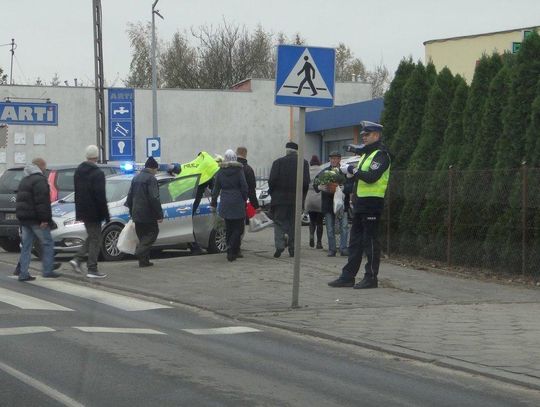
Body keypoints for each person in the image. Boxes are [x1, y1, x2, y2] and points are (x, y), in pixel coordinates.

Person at [328, 121, 391, 289]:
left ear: (376, 135)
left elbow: (371, 177)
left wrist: (353, 170)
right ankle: (347, 276)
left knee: (369, 242)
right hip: (361, 202)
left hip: (373, 203)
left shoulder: (381, 154)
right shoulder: (366, 154)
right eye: (362, 134)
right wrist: (347, 177)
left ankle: (371, 277)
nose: (363, 137)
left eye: (367, 134)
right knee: (354, 241)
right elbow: (359, 178)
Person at [15, 158, 61, 281]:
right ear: (40, 166)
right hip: (36, 219)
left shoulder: (25, 180)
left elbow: (20, 201)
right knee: (48, 242)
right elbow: (42, 202)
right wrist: (44, 219)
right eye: (45, 167)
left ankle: (23, 273)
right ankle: (47, 270)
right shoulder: (40, 180)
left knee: (26, 246)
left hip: (25, 220)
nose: (45, 169)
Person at [70, 145, 110, 278]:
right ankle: (92, 268)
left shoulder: (78, 171)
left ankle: (77, 259)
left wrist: (79, 211)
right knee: (96, 239)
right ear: (97, 157)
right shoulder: (97, 173)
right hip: (94, 211)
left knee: (93, 236)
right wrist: (106, 214)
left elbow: (77, 193)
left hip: (83, 210)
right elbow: (100, 196)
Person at [268, 141, 310, 258]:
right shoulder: (304, 163)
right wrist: (302, 196)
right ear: (297, 151)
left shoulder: (278, 162)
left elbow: (271, 181)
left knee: (279, 223)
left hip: (279, 199)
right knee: (294, 224)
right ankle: (293, 248)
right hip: (295, 200)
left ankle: (280, 246)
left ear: (286, 150)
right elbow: (306, 182)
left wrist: (273, 193)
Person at [125, 156, 163, 267]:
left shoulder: (136, 178)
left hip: (136, 213)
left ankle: (144, 261)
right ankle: (140, 251)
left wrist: (131, 211)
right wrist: (159, 214)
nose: (156, 172)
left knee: (142, 236)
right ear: (152, 168)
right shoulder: (151, 179)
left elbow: (129, 196)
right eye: (156, 170)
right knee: (152, 233)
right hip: (148, 213)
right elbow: (154, 198)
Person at [210, 149, 248, 262]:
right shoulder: (239, 170)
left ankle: (230, 250)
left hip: (225, 201)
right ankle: (232, 247)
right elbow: (244, 186)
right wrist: (244, 198)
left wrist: (214, 202)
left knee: (229, 227)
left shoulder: (220, 171)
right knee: (239, 228)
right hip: (237, 201)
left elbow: (216, 188)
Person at [314, 151, 350, 257]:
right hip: (328, 204)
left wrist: (345, 188)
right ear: (330, 160)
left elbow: (352, 185)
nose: (334, 160)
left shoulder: (344, 172)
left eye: (336, 158)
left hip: (342, 204)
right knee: (330, 228)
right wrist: (320, 187)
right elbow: (316, 183)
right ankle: (332, 249)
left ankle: (343, 248)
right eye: (332, 159)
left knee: (344, 226)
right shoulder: (325, 172)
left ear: (340, 160)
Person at [304, 155, 323, 249]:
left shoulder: (307, 171)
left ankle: (311, 235)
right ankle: (319, 242)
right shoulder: (322, 170)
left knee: (312, 220)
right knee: (320, 222)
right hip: (320, 198)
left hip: (310, 198)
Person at [236, 146, 260, 216]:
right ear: (246, 154)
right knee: (241, 225)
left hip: (226, 204)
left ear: (236, 153)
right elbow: (251, 191)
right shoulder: (248, 169)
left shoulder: (228, 168)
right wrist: (256, 206)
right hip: (241, 204)